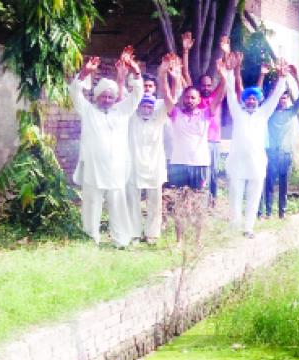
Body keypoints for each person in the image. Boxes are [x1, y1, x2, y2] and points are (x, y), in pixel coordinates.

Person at [69, 46, 143, 248]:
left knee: (118, 206)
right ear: (97, 96)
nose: (108, 100)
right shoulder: (88, 111)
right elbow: (75, 92)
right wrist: (85, 73)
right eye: (104, 96)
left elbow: (137, 93)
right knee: (91, 205)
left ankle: (121, 240)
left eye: (111, 97)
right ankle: (90, 239)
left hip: (117, 170)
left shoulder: (122, 111)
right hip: (93, 170)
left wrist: (135, 71)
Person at [222, 53, 287, 238]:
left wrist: (282, 78)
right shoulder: (237, 112)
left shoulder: (263, 113)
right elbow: (229, 91)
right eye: (248, 98)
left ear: (258, 100)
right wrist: (228, 72)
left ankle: (248, 228)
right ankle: (234, 227)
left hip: (257, 163)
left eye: (254, 98)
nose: (251, 101)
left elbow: (275, 97)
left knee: (253, 197)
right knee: (235, 196)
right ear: (244, 100)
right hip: (237, 163)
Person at [125, 53, 181, 245]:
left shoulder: (159, 116)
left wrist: (164, 73)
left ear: (154, 107)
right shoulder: (132, 117)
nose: (146, 108)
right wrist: (130, 71)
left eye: (150, 105)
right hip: (133, 165)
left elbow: (171, 100)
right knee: (132, 199)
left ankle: (152, 234)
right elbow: (124, 96)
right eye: (143, 105)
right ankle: (133, 233)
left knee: (154, 201)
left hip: (155, 165)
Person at [165, 58, 225, 193]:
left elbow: (219, 97)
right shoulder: (176, 114)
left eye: (193, 98)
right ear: (183, 99)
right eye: (187, 97)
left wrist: (224, 77)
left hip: (200, 164)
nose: (189, 100)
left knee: (197, 199)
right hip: (178, 164)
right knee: (179, 201)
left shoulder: (205, 114)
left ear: (199, 100)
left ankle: (210, 204)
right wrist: (165, 74)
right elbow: (166, 95)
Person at [263, 63, 299, 219]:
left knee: (284, 185)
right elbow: (266, 97)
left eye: (285, 97)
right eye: (280, 97)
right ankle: (267, 212)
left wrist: (296, 77)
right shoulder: (268, 113)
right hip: (271, 154)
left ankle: (282, 213)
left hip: (286, 154)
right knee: (268, 185)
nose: (282, 100)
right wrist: (277, 81)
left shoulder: (291, 112)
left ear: (287, 99)